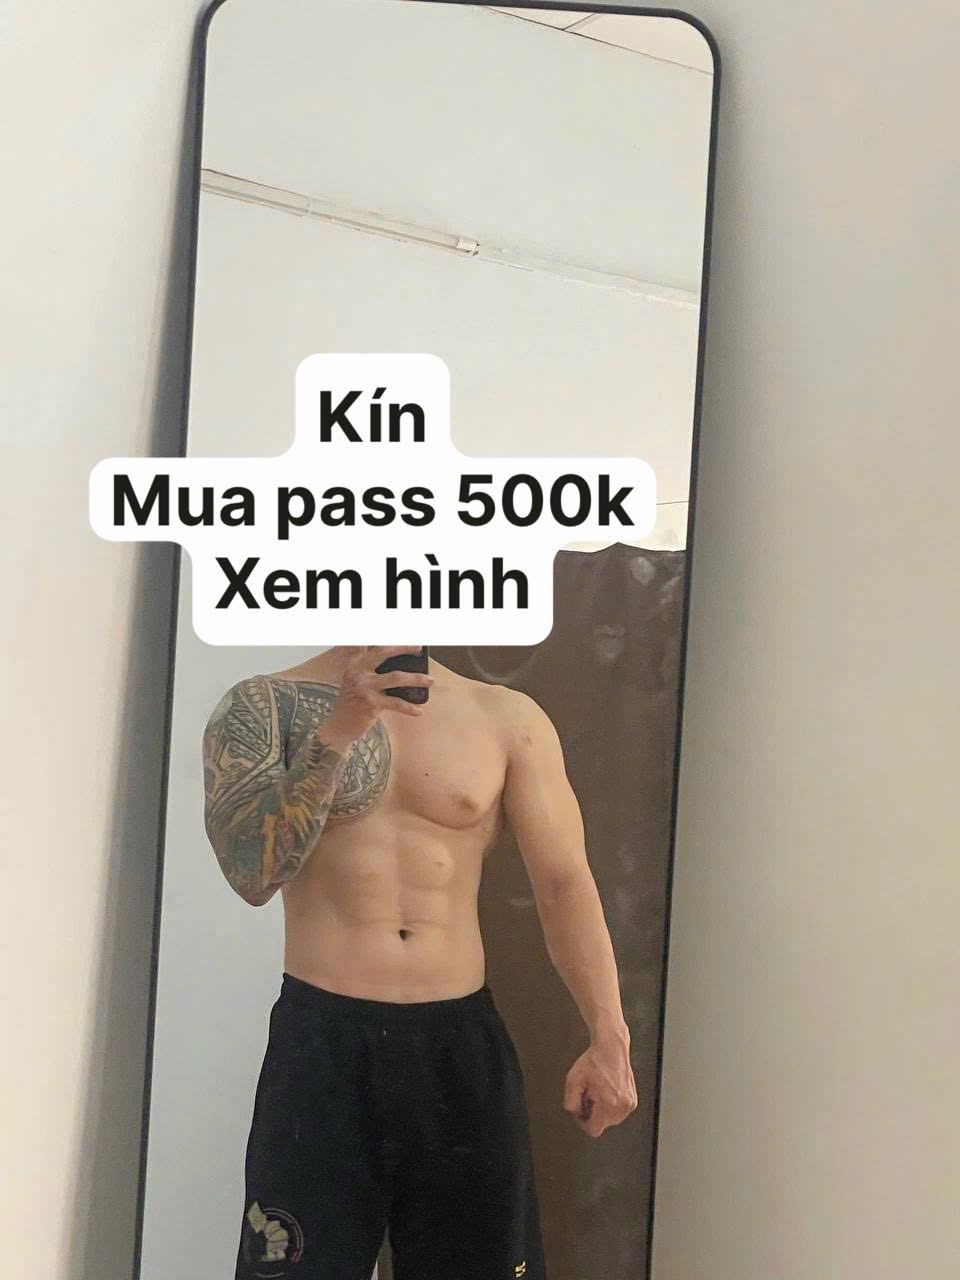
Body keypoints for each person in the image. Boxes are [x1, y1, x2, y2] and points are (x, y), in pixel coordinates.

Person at [202, 645, 637, 1280]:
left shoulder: (506, 718)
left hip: (458, 1047)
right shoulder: (264, 704)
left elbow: (564, 882)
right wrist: (340, 729)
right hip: (323, 1043)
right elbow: (251, 874)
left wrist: (609, 1033)